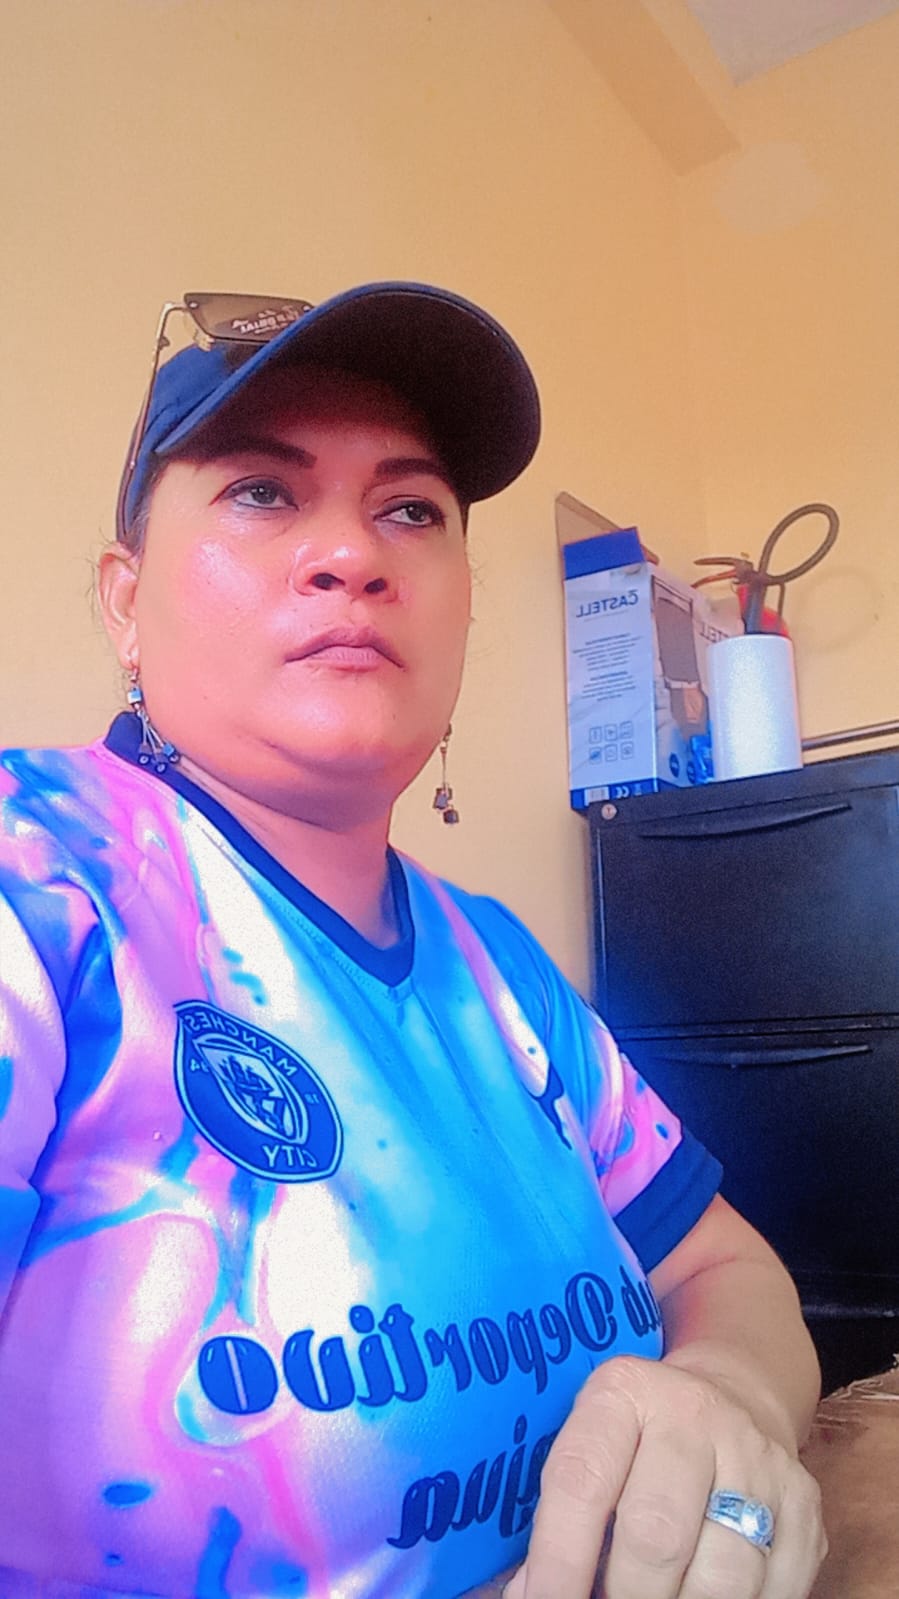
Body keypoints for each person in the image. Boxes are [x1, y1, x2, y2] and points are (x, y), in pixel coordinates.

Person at [0, 282, 825, 1599]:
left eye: (411, 510)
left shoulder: (500, 968)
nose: (353, 553)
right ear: (125, 599)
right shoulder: (38, 880)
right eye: (262, 491)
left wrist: (724, 1400)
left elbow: (727, 1265)